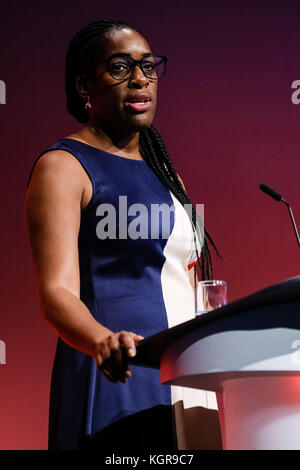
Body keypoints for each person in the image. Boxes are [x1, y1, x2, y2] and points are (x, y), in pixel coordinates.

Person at [24, 19, 221, 450]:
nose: (139, 79)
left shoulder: (169, 176)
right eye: (119, 68)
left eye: (148, 67)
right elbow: (56, 291)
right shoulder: (63, 167)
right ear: (83, 86)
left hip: (188, 375)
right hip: (119, 371)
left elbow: (185, 279)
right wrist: (102, 341)